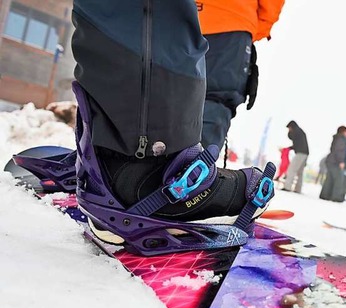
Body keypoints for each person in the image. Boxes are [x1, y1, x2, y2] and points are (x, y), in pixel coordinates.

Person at [66, 0, 284, 255]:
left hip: (199, 14)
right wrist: (260, 25)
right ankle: (162, 177)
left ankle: (114, 159)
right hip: (233, 20)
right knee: (215, 100)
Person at [198, 0, 285, 151]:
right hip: (231, 21)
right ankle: (193, 169)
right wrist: (254, 27)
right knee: (215, 101)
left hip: (166, 17)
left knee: (157, 93)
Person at [320, 126, 346, 202]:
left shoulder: (337, 138)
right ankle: (336, 197)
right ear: (343, 131)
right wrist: (341, 161)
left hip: (330, 161)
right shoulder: (342, 139)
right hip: (336, 162)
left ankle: (325, 195)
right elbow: (339, 151)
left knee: (329, 179)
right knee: (338, 180)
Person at [282, 120, 309, 193]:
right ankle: (298, 189)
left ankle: (287, 187)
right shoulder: (300, 132)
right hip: (305, 153)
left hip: (300, 153)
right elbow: (297, 143)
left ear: (291, 127)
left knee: (291, 169)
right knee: (300, 172)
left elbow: (291, 137)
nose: (289, 130)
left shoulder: (296, 131)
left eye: (289, 128)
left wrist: (289, 133)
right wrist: (290, 148)